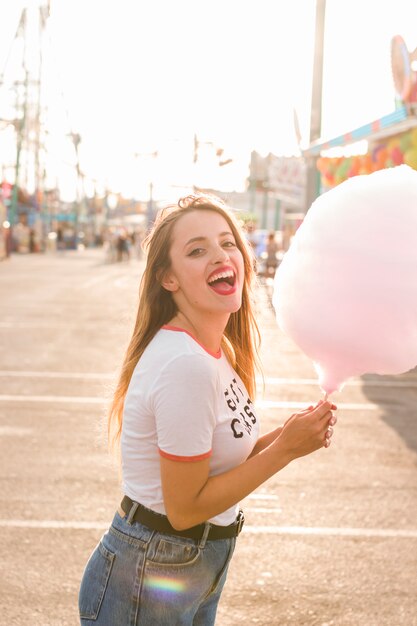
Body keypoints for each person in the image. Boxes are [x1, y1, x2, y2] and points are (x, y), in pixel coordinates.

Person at [78, 193, 337, 625]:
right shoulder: (186, 365)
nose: (220, 255)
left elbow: (218, 465)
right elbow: (185, 508)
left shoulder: (217, 352)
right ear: (168, 278)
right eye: (197, 250)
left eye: (228, 242)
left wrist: (291, 433)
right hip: (152, 570)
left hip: (190, 564)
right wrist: (285, 450)